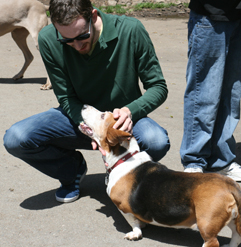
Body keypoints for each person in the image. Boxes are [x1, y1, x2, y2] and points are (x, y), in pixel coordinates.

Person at [3, 0, 170, 203]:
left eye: (83, 36)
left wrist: (130, 111)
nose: (77, 45)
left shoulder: (130, 30)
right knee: (16, 138)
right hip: (78, 117)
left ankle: (123, 175)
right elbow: (65, 97)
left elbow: (158, 87)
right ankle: (71, 170)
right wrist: (88, 126)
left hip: (121, 120)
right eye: (67, 40)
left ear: (93, 16)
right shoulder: (48, 39)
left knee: (156, 141)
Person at [180, 0, 241, 181]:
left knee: (231, 94)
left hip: (239, 18)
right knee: (203, 93)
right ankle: (194, 161)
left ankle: (221, 161)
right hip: (209, 17)